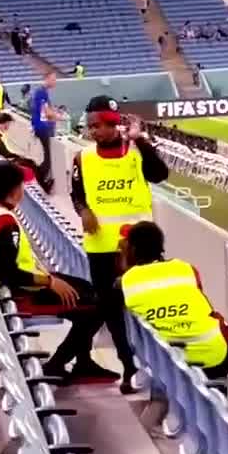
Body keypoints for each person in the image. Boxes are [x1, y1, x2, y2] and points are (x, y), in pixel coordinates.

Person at [0, 162, 107, 384]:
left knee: (87, 288)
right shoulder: (4, 222)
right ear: (15, 191)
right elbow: (9, 274)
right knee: (95, 307)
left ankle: (84, 362)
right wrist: (49, 282)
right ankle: (57, 364)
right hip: (22, 290)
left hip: (19, 281)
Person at [70, 95, 169, 389]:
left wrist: (142, 142)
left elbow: (160, 175)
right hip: (101, 247)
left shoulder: (137, 152)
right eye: (90, 126)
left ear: (114, 126)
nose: (93, 131)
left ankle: (159, 370)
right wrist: (84, 211)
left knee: (147, 307)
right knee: (111, 311)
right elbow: (77, 193)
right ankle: (129, 367)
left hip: (141, 249)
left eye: (98, 125)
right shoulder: (83, 157)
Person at [120, 221, 228, 382]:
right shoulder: (186, 269)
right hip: (218, 358)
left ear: (132, 249)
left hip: (167, 363)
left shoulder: (125, 282)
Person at [0, 113, 43, 180]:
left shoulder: (14, 130)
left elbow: (25, 148)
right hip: (32, 158)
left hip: (33, 158)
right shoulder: (9, 133)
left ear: (4, 123)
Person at [30, 70, 59, 192]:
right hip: (43, 127)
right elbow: (46, 112)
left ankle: (41, 179)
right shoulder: (41, 92)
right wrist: (58, 116)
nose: (55, 81)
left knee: (48, 155)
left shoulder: (42, 92)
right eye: (53, 79)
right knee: (49, 155)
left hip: (42, 126)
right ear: (46, 78)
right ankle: (41, 179)